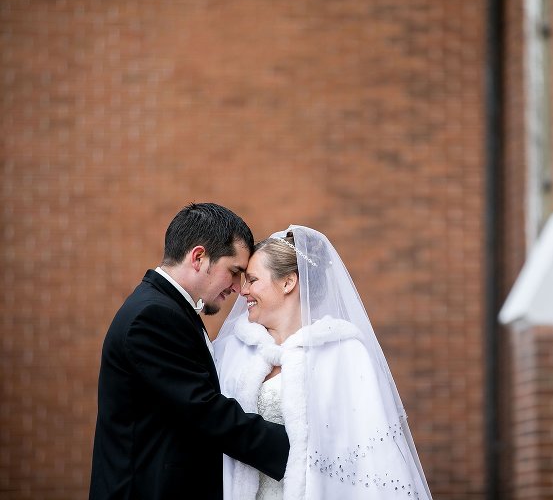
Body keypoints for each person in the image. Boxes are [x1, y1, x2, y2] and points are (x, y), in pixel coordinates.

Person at [213, 225, 432, 500]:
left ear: (288, 282)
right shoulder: (231, 350)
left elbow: (369, 452)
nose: (241, 290)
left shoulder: (344, 352)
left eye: (252, 280)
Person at [89, 203, 290, 500]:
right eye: (234, 272)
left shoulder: (168, 307)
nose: (238, 287)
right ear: (198, 257)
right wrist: (295, 448)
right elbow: (204, 409)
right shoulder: (153, 316)